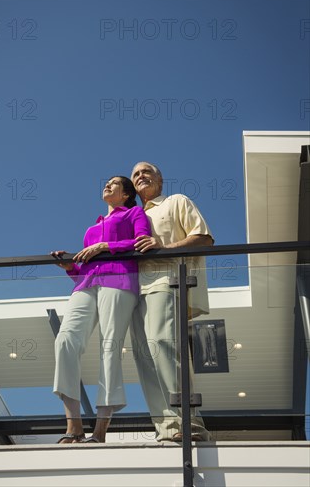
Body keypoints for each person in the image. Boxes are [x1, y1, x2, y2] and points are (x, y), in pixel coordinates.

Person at [51, 176, 151, 444]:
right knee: (64, 342)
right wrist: (70, 267)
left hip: (119, 281)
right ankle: (73, 425)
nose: (106, 185)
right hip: (86, 285)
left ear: (127, 193)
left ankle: (100, 431)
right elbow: (84, 269)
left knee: (110, 347)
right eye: (105, 183)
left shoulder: (134, 212)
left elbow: (143, 240)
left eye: (114, 183)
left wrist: (106, 246)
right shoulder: (90, 229)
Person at [130, 162, 214, 442]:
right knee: (146, 360)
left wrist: (163, 248)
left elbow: (203, 239)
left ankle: (191, 424)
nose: (141, 175)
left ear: (160, 179)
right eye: (136, 174)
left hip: (167, 282)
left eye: (147, 171)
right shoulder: (131, 215)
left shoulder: (176, 201)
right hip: (132, 292)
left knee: (165, 347)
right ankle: (167, 429)